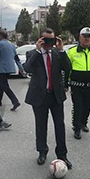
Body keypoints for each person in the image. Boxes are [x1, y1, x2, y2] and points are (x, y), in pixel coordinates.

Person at [23, 28, 73, 169]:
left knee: (60, 125)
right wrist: (38, 51)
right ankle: (42, 152)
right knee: (41, 125)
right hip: (40, 96)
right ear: (40, 39)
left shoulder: (58, 53)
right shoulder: (32, 53)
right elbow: (27, 68)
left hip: (55, 95)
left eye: (52, 40)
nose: (49, 43)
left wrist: (62, 50)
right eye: (46, 40)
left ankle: (62, 155)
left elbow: (68, 67)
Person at [66, 27, 90, 140]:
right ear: (79, 38)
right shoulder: (72, 51)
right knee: (78, 107)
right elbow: (67, 70)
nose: (87, 39)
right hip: (77, 86)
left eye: (89, 37)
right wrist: (65, 83)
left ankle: (83, 123)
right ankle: (76, 127)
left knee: (87, 106)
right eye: (84, 36)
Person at [0, 30, 22, 111]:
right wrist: (21, 68)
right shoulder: (12, 45)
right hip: (10, 67)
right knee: (1, 83)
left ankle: (15, 101)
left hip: (2, 67)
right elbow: (16, 58)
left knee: (4, 86)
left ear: (1, 36)